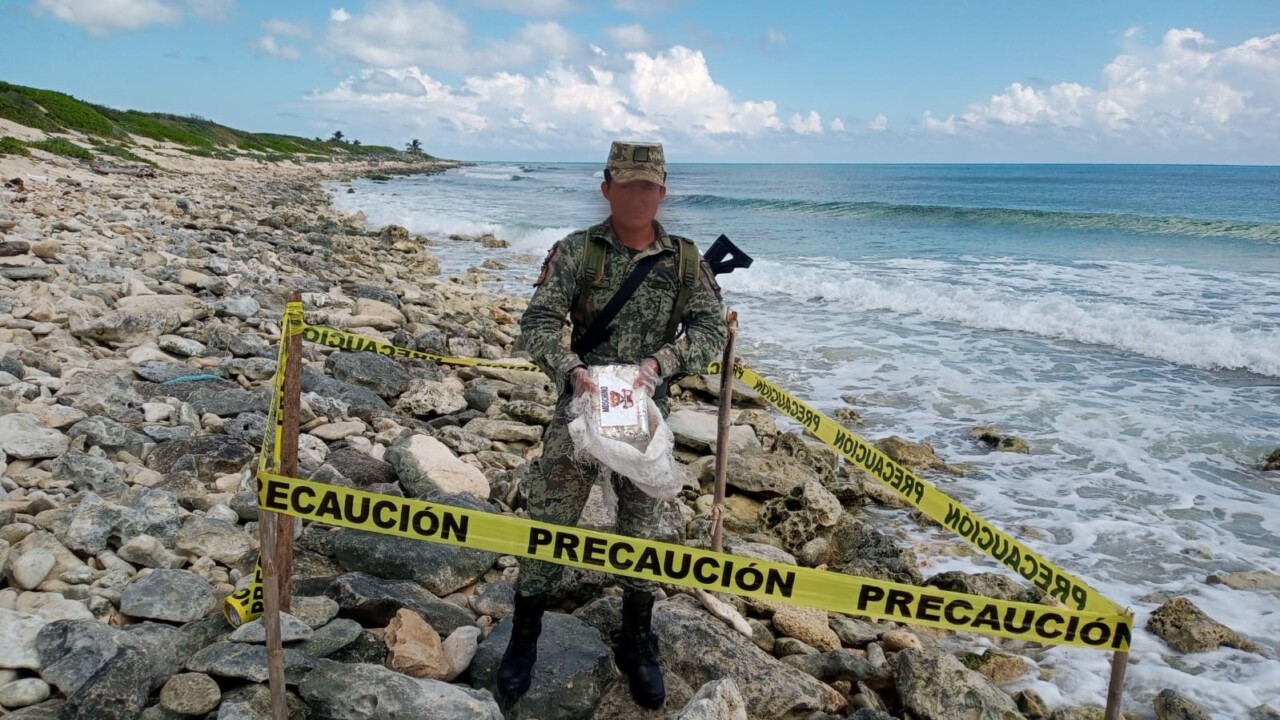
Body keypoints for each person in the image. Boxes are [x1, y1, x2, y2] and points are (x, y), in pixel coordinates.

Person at [503, 141, 729, 708]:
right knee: (549, 517)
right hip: (578, 411)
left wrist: (660, 365)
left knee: (641, 526)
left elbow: (708, 331)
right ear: (606, 188)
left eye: (647, 186)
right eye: (625, 184)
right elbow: (538, 323)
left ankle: (637, 639)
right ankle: (523, 637)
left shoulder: (685, 260)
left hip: (645, 417)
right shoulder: (576, 252)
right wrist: (573, 370)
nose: (636, 195)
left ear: (662, 192)